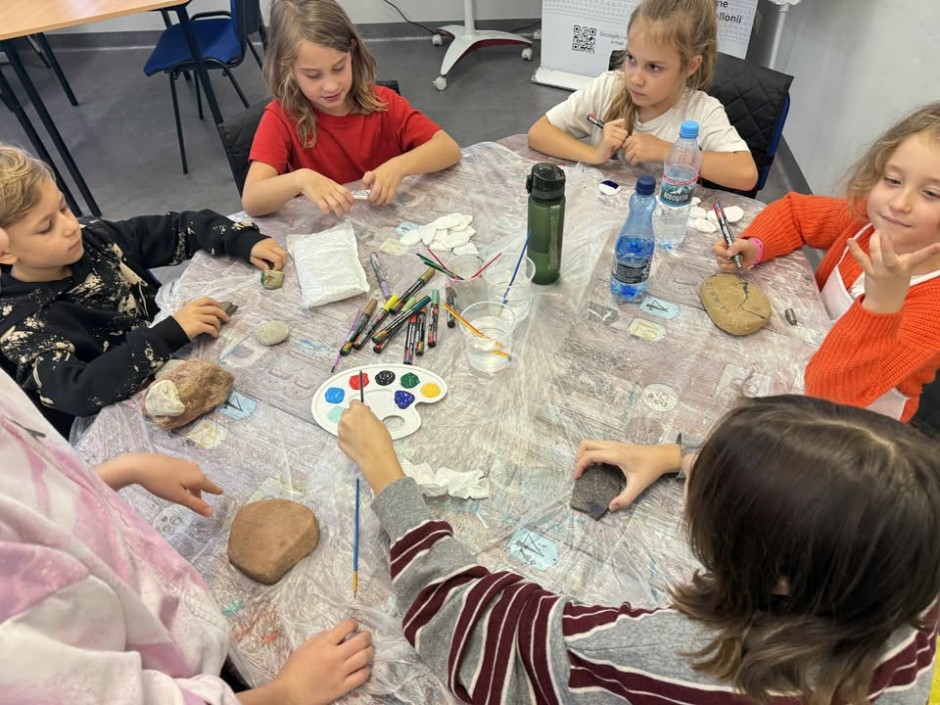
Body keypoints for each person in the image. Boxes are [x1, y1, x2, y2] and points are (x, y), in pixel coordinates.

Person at [338, 395, 940, 704]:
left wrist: (388, 476)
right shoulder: (908, 563)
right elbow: (842, 484)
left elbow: (479, 629)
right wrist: (679, 457)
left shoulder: (699, 662)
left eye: (711, 497)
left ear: (774, 574)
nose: (695, 491)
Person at [0, 237, 372, 703]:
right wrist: (287, 694)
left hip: (170, 615)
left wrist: (119, 470)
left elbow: (34, 499)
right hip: (174, 672)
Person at [0, 143, 288, 438]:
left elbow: (178, 229)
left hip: (182, 353)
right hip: (133, 420)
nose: (70, 226)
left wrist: (239, 239)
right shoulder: (22, 328)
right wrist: (167, 334)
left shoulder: (94, 238)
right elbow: (76, 392)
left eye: (63, 207)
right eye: (46, 227)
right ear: (5, 251)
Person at [714, 102, 940, 423]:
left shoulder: (932, 313)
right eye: (892, 180)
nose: (899, 203)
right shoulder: (865, 222)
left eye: (931, 194)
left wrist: (882, 305)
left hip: (850, 425)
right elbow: (796, 213)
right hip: (807, 357)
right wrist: (756, 245)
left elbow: (830, 395)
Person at [242, 0, 462, 218]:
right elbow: (252, 200)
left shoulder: (383, 102)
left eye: (338, 68)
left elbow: (448, 148)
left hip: (388, 223)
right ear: (287, 67)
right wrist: (299, 180)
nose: (330, 86)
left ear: (352, 52)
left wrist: (399, 167)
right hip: (327, 230)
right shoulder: (281, 118)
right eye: (313, 75)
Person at [527, 0, 757, 192]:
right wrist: (594, 154)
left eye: (654, 67)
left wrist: (669, 152)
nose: (636, 78)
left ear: (690, 66)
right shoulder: (608, 87)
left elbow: (746, 174)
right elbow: (539, 133)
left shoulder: (702, 111)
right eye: (631, 59)